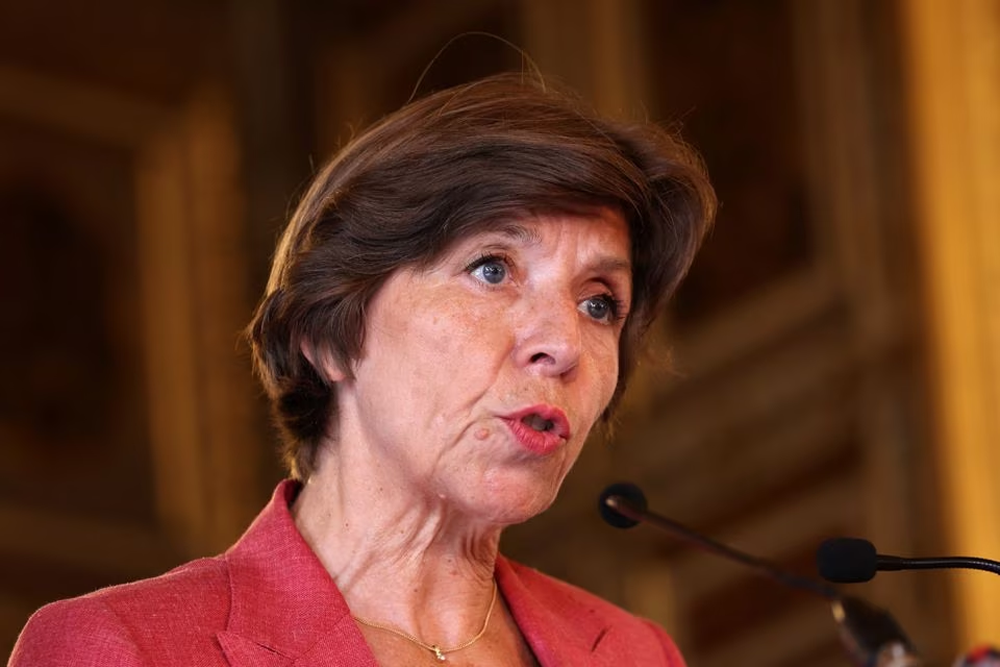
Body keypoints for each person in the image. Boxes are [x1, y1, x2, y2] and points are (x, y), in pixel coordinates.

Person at [8, 72, 715, 666]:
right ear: (330, 331)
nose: (563, 343)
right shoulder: (120, 648)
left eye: (599, 303)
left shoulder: (634, 651)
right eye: (493, 267)